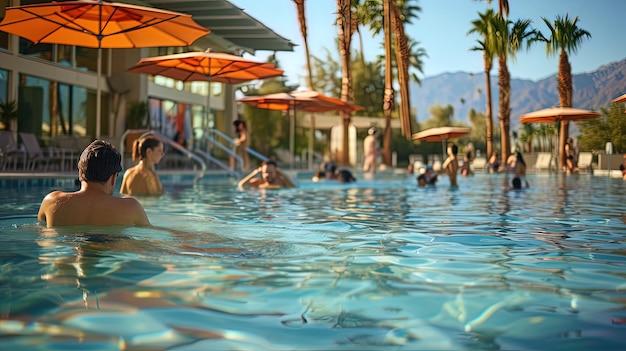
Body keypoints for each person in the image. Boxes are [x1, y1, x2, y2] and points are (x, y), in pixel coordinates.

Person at [38, 140, 150, 227]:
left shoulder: (51, 202)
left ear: (80, 172)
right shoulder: (131, 207)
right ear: (113, 178)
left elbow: (39, 229)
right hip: (110, 252)